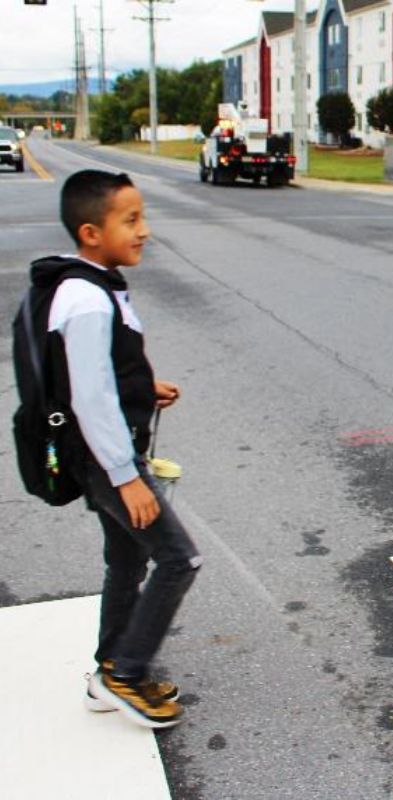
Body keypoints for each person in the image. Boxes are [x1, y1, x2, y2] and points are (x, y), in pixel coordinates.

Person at [34, 170, 200, 729]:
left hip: (101, 453)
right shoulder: (87, 299)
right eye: (130, 220)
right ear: (90, 232)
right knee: (179, 558)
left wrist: (142, 386)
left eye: (142, 217)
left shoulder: (90, 284)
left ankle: (112, 663)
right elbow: (91, 397)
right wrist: (126, 476)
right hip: (108, 459)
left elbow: (96, 373)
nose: (144, 230)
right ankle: (124, 673)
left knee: (127, 559)